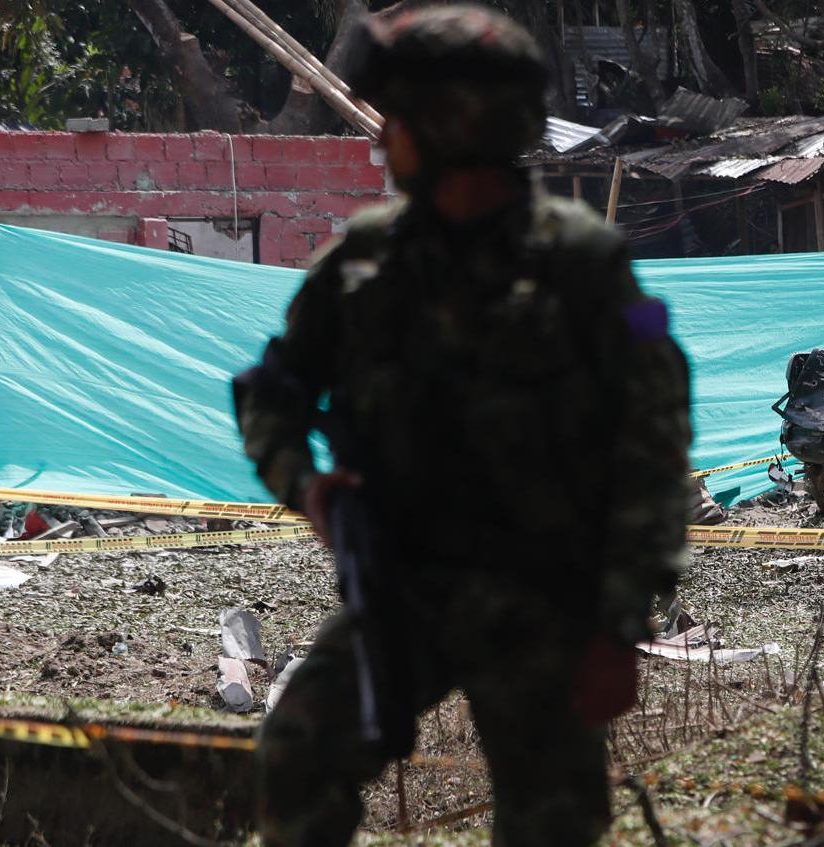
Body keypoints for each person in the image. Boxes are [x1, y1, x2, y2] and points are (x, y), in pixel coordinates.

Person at [231, 6, 692, 845]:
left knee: (552, 823)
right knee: (297, 750)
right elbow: (272, 389)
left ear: (453, 124)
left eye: (399, 118)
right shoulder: (365, 259)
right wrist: (307, 487)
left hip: (545, 600)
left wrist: (619, 624)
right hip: (402, 588)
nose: (383, 139)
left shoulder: (581, 262)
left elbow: (652, 446)